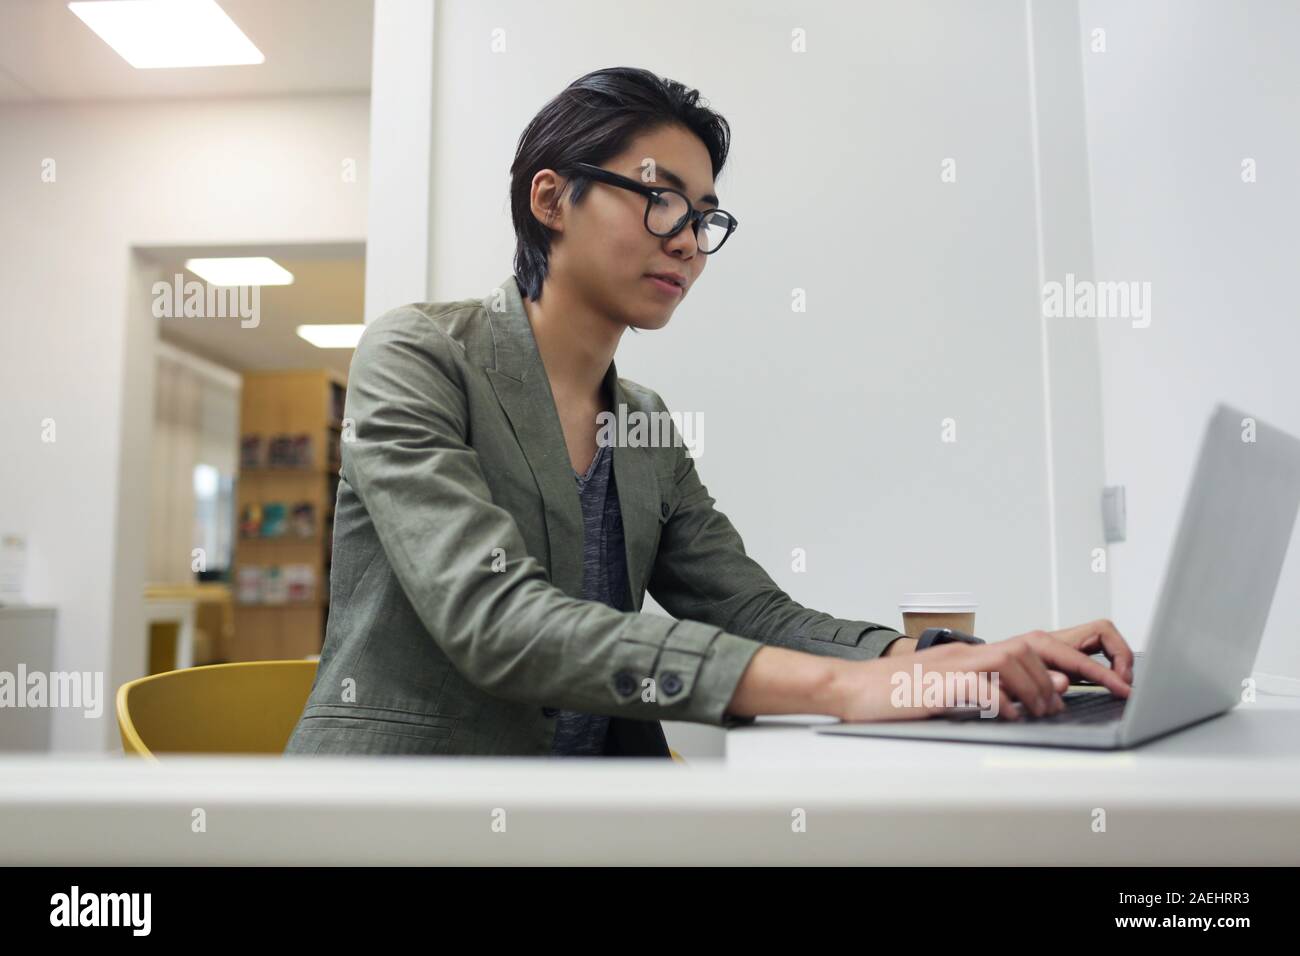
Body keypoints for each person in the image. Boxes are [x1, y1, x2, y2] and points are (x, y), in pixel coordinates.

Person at [283, 66, 1132, 758]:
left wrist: (948, 659)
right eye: (659, 198)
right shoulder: (416, 356)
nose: (688, 240)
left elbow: (753, 614)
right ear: (551, 201)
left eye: (703, 216)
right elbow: (494, 620)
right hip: (402, 816)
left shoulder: (642, 424)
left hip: (594, 817)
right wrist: (845, 689)